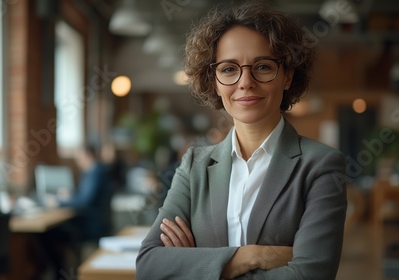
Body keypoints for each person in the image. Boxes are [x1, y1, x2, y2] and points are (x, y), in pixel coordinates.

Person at [136, 2, 347, 280]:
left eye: (262, 66)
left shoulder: (321, 166)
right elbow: (150, 264)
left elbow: (310, 275)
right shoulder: (194, 165)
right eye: (228, 69)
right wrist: (251, 256)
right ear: (214, 81)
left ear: (287, 76)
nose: (245, 82)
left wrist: (199, 265)